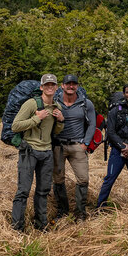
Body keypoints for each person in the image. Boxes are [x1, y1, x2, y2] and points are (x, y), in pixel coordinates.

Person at [11, 73, 64, 231]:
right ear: (41, 87)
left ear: (56, 87)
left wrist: (61, 120)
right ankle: (17, 228)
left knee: (43, 191)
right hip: (30, 151)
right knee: (23, 190)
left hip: (47, 152)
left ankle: (41, 225)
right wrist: (37, 118)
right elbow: (15, 126)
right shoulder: (31, 104)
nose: (49, 87)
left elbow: (56, 130)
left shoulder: (57, 107)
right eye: (46, 85)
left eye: (52, 85)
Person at [96, 83, 128, 211]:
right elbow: (111, 132)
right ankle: (100, 207)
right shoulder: (115, 111)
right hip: (117, 150)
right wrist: (122, 146)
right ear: (124, 94)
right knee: (109, 179)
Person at [51, 74, 96, 222]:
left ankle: (80, 213)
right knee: (58, 179)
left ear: (77, 86)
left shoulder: (86, 103)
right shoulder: (54, 102)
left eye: (74, 84)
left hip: (78, 146)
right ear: (62, 86)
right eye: (68, 84)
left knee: (83, 179)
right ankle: (62, 211)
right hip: (58, 145)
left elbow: (92, 125)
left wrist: (85, 144)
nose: (71, 86)